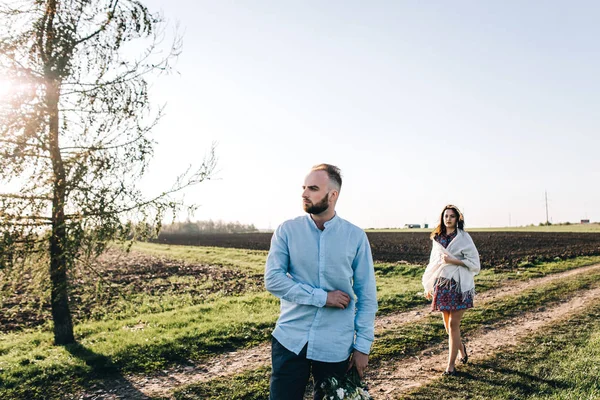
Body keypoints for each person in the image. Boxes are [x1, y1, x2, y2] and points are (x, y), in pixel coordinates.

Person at [264, 163, 378, 400]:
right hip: (290, 338)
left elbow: (367, 295)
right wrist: (322, 298)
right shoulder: (287, 231)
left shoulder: (355, 237)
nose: (304, 194)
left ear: (333, 195)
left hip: (335, 343)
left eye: (313, 188)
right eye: (304, 187)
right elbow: (273, 280)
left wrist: (362, 346)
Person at [422, 204, 480, 376]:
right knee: (448, 327)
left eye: (452, 216)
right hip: (442, 284)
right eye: (446, 216)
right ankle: (461, 350)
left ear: (457, 219)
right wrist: (430, 284)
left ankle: (451, 366)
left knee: (454, 325)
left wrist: (453, 260)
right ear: (442, 218)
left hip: (458, 285)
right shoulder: (437, 238)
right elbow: (434, 263)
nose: (448, 219)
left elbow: (474, 262)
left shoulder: (464, 238)